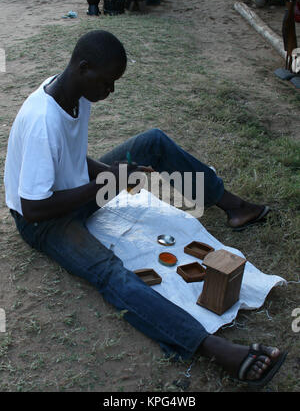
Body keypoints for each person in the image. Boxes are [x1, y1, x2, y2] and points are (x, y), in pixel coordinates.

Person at [4, 30, 287, 388]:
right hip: (44, 222)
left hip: (72, 192)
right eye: (107, 82)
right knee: (110, 271)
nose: (111, 91)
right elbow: (33, 208)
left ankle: (234, 206)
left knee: (151, 141)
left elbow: (72, 158)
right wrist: (108, 183)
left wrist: (110, 175)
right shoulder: (43, 122)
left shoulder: (73, 93)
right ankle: (211, 346)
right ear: (84, 67)